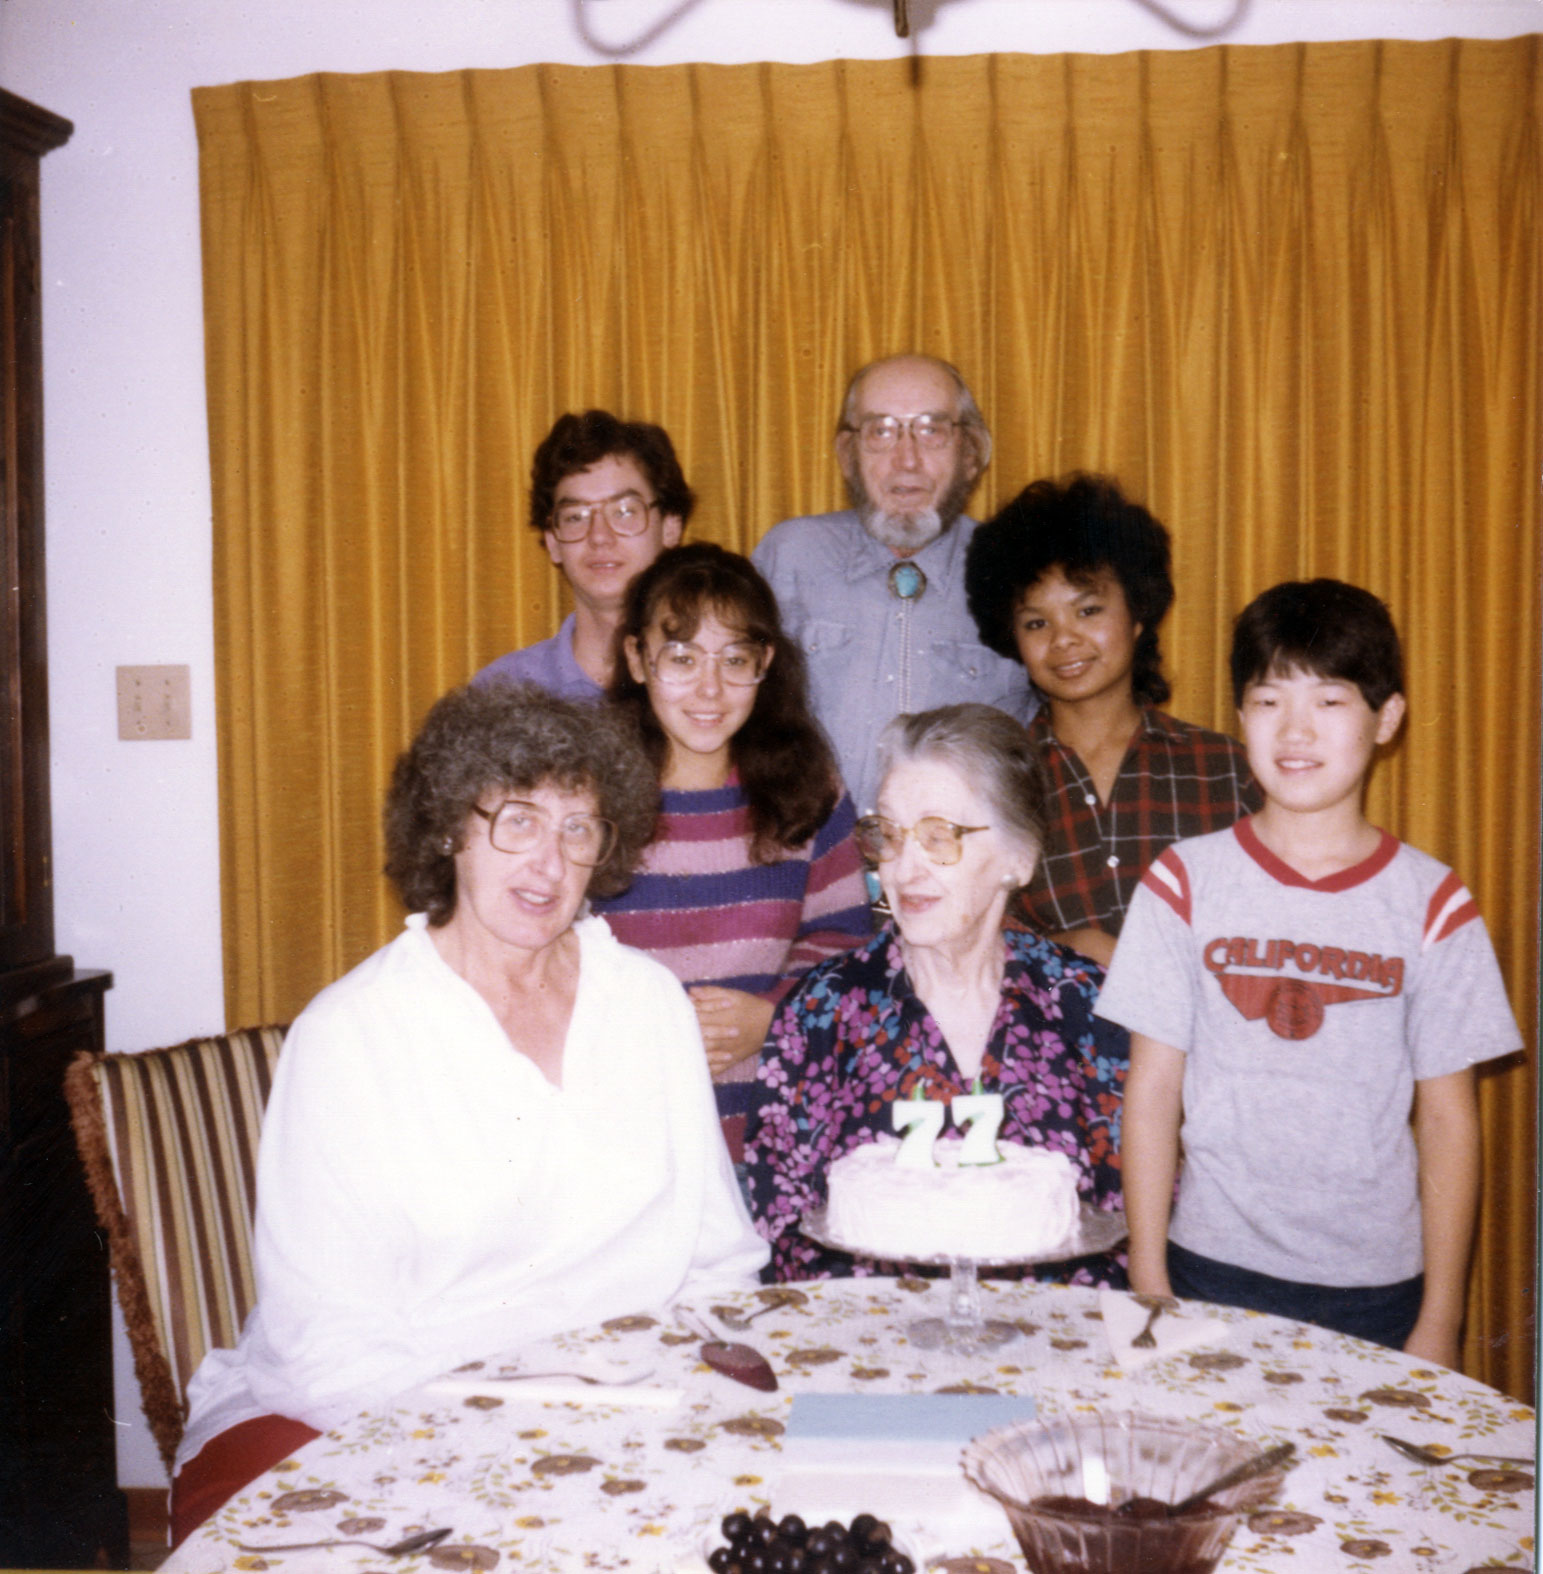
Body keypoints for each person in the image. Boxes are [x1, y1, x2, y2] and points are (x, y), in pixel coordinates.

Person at [171, 683, 767, 1543]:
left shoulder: (647, 1002)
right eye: (517, 821)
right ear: (451, 828)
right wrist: (520, 1438)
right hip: (377, 1410)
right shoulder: (353, 1035)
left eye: (577, 828)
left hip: (625, 1402)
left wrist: (655, 1409)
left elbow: (717, 1262)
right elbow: (324, 1349)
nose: (549, 862)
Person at [1098, 580, 1521, 1366]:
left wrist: (1440, 1318)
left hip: (1379, 1289)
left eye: (1329, 701)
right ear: (1239, 716)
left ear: (1386, 719)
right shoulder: (1182, 882)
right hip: (1205, 1270)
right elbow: (1151, 1090)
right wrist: (1147, 1275)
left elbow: (1448, 1120)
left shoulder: (1432, 901)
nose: (1295, 730)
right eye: (1267, 700)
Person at [744, 703, 1128, 1283]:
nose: (904, 869)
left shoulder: (1084, 1004)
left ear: (1019, 857)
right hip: (866, 1354)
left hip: (1052, 1354)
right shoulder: (823, 1011)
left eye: (940, 836)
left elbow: (1126, 1224)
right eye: (890, 836)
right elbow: (781, 1231)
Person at [595, 543, 872, 1150]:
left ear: (765, 662)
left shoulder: (810, 790)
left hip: (769, 1131)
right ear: (638, 659)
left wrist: (776, 1017)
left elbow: (846, 947)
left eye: (735, 658)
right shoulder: (588, 798)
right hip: (623, 1132)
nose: (710, 689)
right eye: (682, 657)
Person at [965, 474, 1261, 965]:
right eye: (1037, 622)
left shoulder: (1225, 770)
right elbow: (971, 937)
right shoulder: (995, 784)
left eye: (1088, 610)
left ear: (1138, 615)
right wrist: (1066, 948)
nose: (1063, 640)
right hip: (1050, 1035)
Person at [752, 355, 1034, 814]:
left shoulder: (1015, 569)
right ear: (847, 454)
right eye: (881, 431)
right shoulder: (789, 555)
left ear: (971, 454)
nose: (907, 460)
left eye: (931, 430)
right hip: (805, 867)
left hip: (956, 870)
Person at [475, 410, 693, 696]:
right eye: (576, 516)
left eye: (624, 512)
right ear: (553, 541)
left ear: (670, 528)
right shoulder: (504, 693)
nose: (599, 536)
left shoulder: (711, 689)